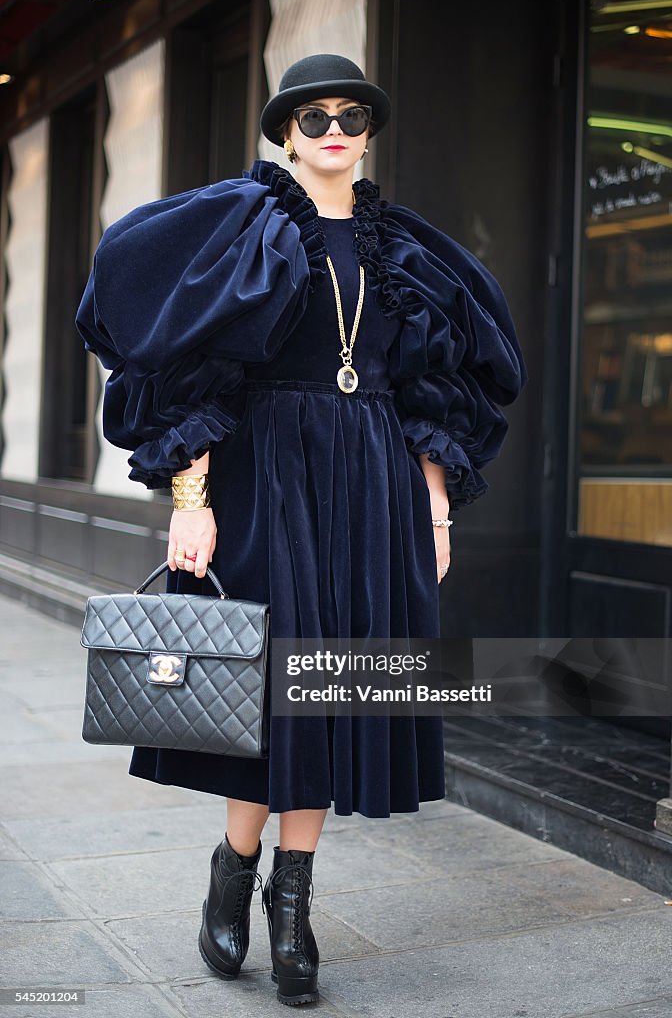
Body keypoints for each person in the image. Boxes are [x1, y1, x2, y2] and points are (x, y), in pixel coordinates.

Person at [75, 53, 527, 1007]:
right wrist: (189, 502)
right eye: (312, 115)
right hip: (266, 469)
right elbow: (198, 368)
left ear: (367, 132)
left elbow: (429, 388)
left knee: (332, 687)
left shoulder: (405, 250)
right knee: (269, 688)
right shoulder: (248, 226)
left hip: (372, 479)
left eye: (350, 115)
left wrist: (436, 508)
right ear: (286, 130)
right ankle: (234, 871)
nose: (332, 128)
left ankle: (292, 904)